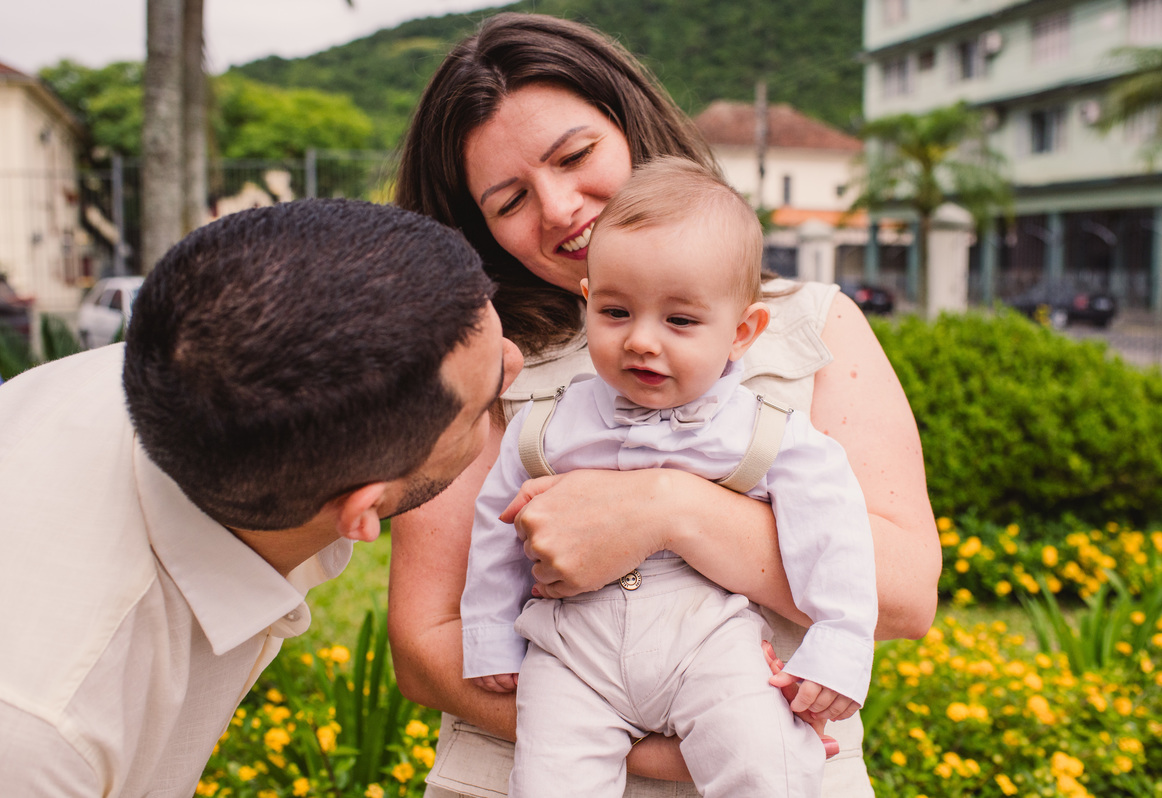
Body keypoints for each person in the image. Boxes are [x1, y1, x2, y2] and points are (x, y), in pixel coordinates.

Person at [391, 12, 940, 798]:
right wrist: (659, 754)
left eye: (576, 156)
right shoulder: (474, 356)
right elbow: (426, 645)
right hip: (526, 769)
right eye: (510, 200)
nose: (558, 208)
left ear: (631, 123)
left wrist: (666, 508)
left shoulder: (811, 326)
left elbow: (906, 595)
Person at [0, 199, 523, 797]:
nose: (517, 363)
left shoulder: (203, 367)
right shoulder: (46, 729)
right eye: (485, 402)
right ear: (359, 511)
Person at [460, 157, 877, 797]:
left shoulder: (766, 430)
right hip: (572, 651)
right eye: (617, 312)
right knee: (547, 782)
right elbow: (497, 527)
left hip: (711, 641)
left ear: (742, 332)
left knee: (767, 767)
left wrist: (839, 644)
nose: (642, 342)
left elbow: (835, 536)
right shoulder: (548, 425)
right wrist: (489, 630)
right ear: (588, 304)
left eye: (680, 320)